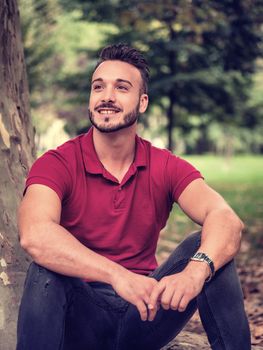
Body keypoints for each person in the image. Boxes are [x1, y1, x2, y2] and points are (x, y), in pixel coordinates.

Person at [16, 43, 251, 350]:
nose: (106, 96)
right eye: (98, 87)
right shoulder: (57, 162)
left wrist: (196, 271)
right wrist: (117, 275)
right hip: (78, 320)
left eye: (121, 87)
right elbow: (35, 235)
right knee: (45, 268)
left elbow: (227, 220)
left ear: (142, 102)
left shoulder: (164, 165)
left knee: (208, 249)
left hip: (144, 316)